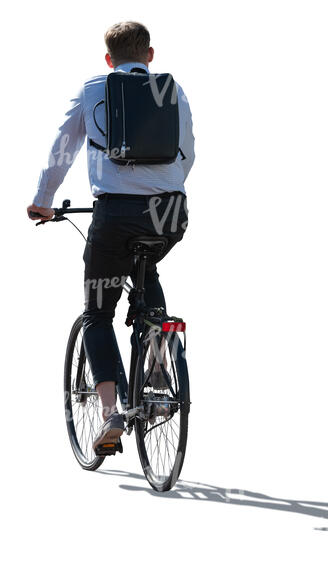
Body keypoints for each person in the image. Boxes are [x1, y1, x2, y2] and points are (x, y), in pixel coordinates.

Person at [27, 21, 195, 453]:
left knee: (98, 313)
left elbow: (62, 149)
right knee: (147, 267)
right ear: (150, 56)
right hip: (171, 214)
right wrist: (162, 191)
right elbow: (188, 152)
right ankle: (158, 356)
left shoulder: (92, 90)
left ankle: (110, 414)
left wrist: (44, 200)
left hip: (116, 214)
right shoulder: (173, 92)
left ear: (108, 59)